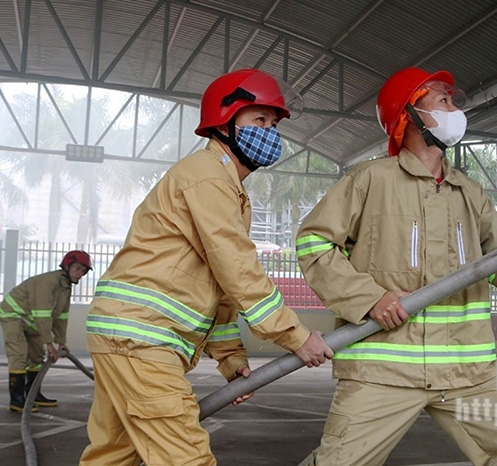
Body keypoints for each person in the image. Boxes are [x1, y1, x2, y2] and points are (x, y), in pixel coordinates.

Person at [294, 67, 497, 466]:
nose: (455, 109)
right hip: (383, 371)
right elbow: (314, 242)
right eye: (443, 100)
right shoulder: (369, 180)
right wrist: (369, 298)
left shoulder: (470, 194)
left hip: (467, 375)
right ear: (409, 115)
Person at [78, 69, 333, 466]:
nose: (269, 132)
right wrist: (295, 335)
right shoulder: (208, 177)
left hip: (126, 334)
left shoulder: (226, 186)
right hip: (143, 339)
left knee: (113, 456)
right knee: (188, 458)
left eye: (273, 123)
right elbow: (238, 269)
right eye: (258, 120)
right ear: (225, 122)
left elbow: (223, 289)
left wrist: (231, 359)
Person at [1, 250, 92, 413]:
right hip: (13, 315)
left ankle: (33, 395)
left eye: (83, 271)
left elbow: (61, 317)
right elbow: (41, 313)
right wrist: (49, 343)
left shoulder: (65, 287)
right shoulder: (47, 282)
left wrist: (61, 342)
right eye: (78, 269)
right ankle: (17, 399)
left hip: (30, 320)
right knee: (19, 355)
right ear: (67, 265)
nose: (80, 274)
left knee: (36, 357)